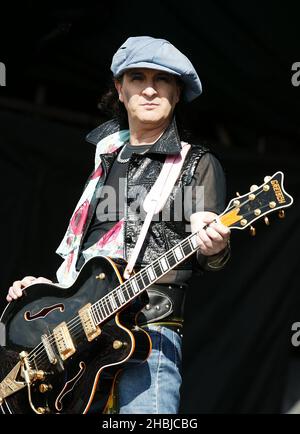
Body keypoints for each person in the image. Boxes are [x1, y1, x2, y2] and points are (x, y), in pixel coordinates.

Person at [6, 36, 231, 414]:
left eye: (162, 80)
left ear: (176, 93)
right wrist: (49, 294)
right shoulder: (105, 160)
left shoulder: (195, 165)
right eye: (137, 78)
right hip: (82, 343)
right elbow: (89, 264)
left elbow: (213, 257)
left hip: (148, 334)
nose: (148, 89)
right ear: (120, 90)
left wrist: (216, 246)